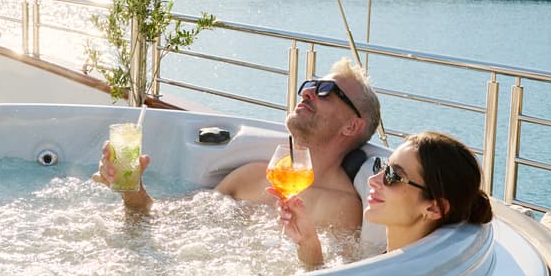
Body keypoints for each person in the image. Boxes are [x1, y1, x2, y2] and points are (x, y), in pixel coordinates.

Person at [96, 58, 380, 235]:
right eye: (310, 84)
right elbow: (162, 218)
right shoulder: (252, 176)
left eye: (325, 91)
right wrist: (132, 191)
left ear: (351, 126)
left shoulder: (345, 210)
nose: (307, 92)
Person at [279, 130, 492, 266]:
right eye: (382, 167)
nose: (373, 180)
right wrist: (308, 241)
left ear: (434, 208)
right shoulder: (397, 263)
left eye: (393, 176)